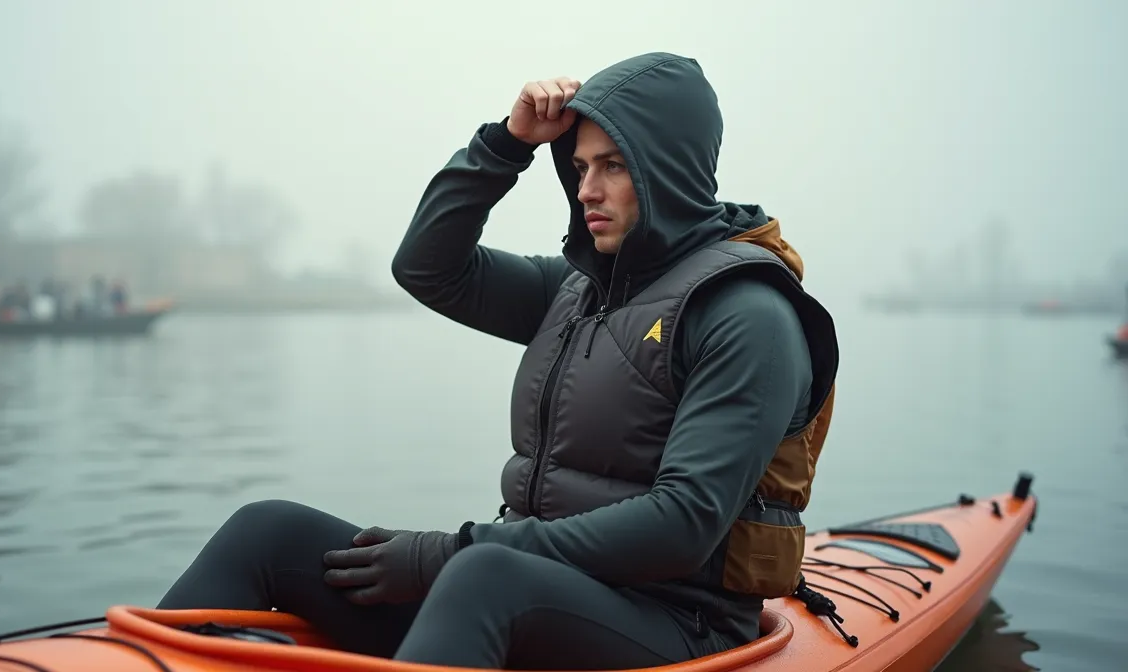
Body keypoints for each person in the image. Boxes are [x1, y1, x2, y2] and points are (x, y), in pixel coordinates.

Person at [157, 51, 839, 670]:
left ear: (671, 166)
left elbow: (684, 523)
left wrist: (444, 556)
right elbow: (427, 267)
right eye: (578, 168)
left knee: (483, 575)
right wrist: (506, 144)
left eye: (613, 165)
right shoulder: (575, 290)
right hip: (532, 588)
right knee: (267, 531)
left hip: (676, 626)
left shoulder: (745, 312)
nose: (587, 191)